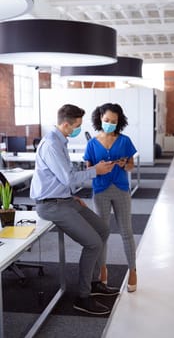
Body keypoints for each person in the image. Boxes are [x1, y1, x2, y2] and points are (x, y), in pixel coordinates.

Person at [30, 104, 119, 316]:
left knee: (103, 231)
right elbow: (68, 178)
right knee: (93, 243)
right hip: (50, 205)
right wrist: (94, 171)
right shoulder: (52, 144)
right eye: (77, 126)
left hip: (65, 199)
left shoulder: (60, 140)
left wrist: (70, 194)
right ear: (65, 124)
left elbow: (63, 178)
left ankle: (94, 282)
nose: (78, 129)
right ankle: (83, 297)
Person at [84, 102, 137, 292]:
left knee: (126, 232)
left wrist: (124, 164)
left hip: (121, 189)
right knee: (102, 234)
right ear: (100, 118)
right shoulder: (91, 143)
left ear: (119, 122)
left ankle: (132, 270)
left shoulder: (125, 141)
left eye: (114, 121)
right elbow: (87, 169)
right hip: (100, 191)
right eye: (107, 120)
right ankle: (102, 269)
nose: (110, 124)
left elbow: (131, 166)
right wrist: (97, 169)